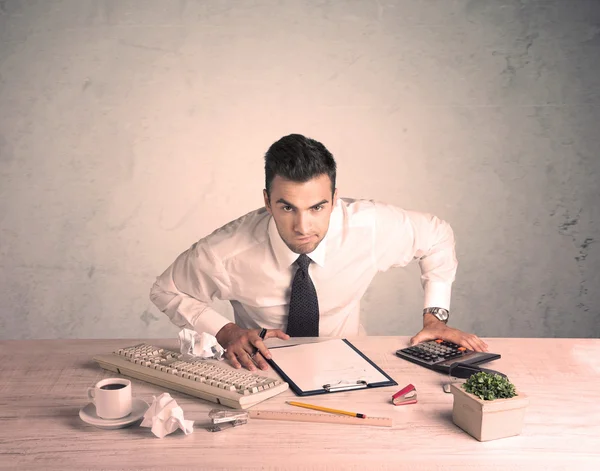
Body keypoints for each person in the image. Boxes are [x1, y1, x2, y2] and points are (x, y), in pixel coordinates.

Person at [150, 134, 488, 371]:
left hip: (353, 362)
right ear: (267, 200)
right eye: (286, 207)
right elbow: (166, 289)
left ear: (335, 199)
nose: (302, 226)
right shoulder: (228, 251)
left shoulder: (368, 228)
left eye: (317, 207)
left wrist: (435, 318)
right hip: (262, 369)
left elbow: (437, 235)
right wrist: (226, 332)